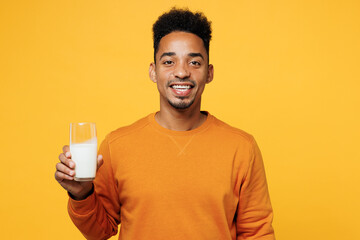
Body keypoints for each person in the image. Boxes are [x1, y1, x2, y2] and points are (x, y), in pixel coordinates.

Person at [55, 8, 275, 240]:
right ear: (153, 71)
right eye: (169, 61)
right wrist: (81, 194)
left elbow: (257, 233)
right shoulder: (118, 145)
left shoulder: (242, 147)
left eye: (195, 62)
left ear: (209, 73)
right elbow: (99, 231)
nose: (181, 72)